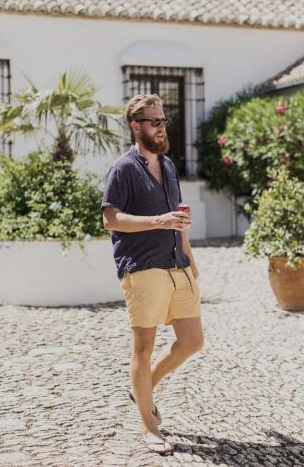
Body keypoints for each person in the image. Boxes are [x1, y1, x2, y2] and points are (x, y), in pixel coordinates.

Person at [101, 94, 203, 453]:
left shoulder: (170, 166)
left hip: (177, 264)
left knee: (192, 341)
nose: (161, 127)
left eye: (163, 120)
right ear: (136, 126)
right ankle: (149, 426)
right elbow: (110, 218)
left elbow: (178, 217)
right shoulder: (124, 169)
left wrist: (189, 257)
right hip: (142, 266)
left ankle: (142, 389)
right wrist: (156, 221)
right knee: (143, 348)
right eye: (154, 121)